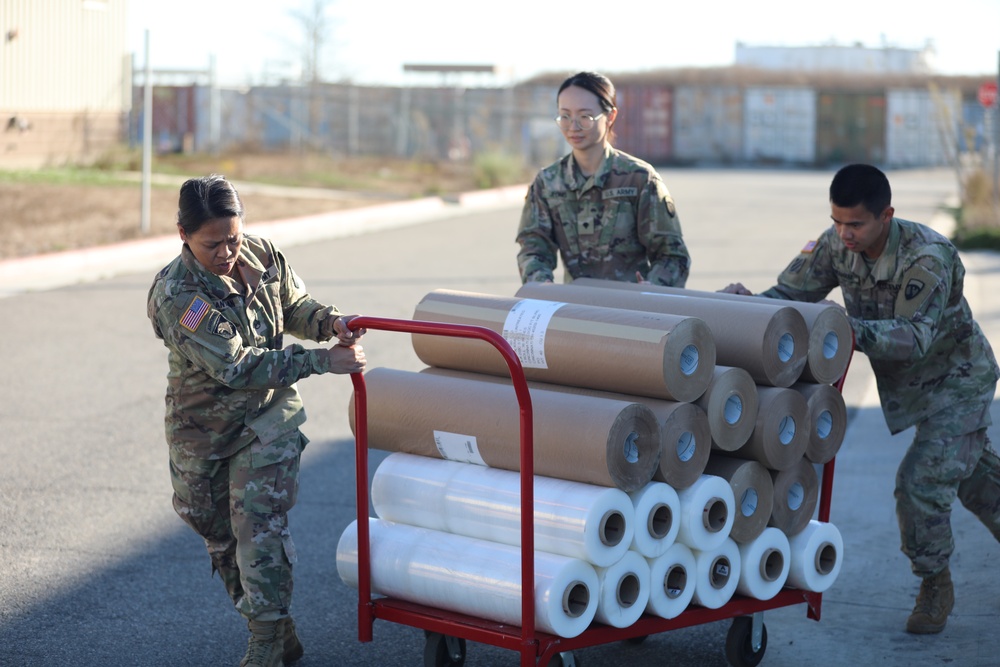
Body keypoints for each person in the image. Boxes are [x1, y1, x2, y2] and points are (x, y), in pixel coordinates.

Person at [723, 163, 1000, 635]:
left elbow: (915, 338)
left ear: (886, 216)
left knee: (920, 484)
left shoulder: (926, 257)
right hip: (911, 388)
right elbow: (790, 294)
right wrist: (749, 305)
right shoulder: (835, 245)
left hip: (958, 382)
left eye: (855, 224)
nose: (843, 233)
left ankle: (935, 584)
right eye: (836, 221)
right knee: (970, 475)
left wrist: (848, 329)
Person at [147, 174, 367, 666]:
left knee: (257, 524)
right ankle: (274, 627)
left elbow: (293, 306)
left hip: (268, 416)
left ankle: (266, 641)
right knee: (218, 532)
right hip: (202, 431)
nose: (227, 252)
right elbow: (236, 365)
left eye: (234, 238)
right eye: (213, 244)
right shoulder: (178, 296)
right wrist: (320, 361)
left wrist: (330, 323)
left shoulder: (260, 253)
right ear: (183, 234)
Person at [516, 71, 690, 286]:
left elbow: (672, 254)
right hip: (574, 309)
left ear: (610, 117)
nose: (573, 126)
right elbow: (533, 248)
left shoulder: (639, 179)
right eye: (565, 116)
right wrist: (542, 285)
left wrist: (654, 288)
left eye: (585, 117)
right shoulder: (548, 182)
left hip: (632, 309)